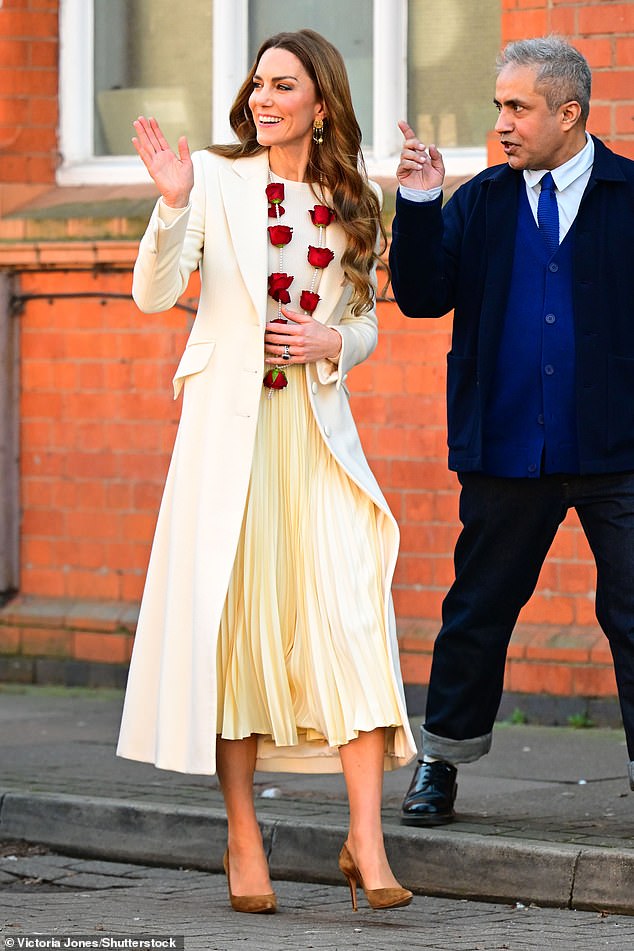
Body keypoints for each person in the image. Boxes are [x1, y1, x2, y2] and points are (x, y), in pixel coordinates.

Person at [116, 29, 416, 913]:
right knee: (240, 632)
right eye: (258, 84)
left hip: (317, 438)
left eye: (284, 85)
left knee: (354, 619)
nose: (263, 98)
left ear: (322, 103)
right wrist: (173, 203)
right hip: (231, 444)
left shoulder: (356, 197)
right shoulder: (214, 179)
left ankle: (367, 840)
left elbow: (364, 320)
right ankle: (243, 838)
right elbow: (154, 293)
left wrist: (335, 342)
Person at [390, 35, 634, 826]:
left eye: (518, 107)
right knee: (477, 610)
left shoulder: (629, 195)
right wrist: (420, 202)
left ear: (569, 112)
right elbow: (422, 297)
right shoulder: (482, 202)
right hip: (503, 446)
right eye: (499, 105)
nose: (502, 122)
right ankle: (440, 761)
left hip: (617, 450)